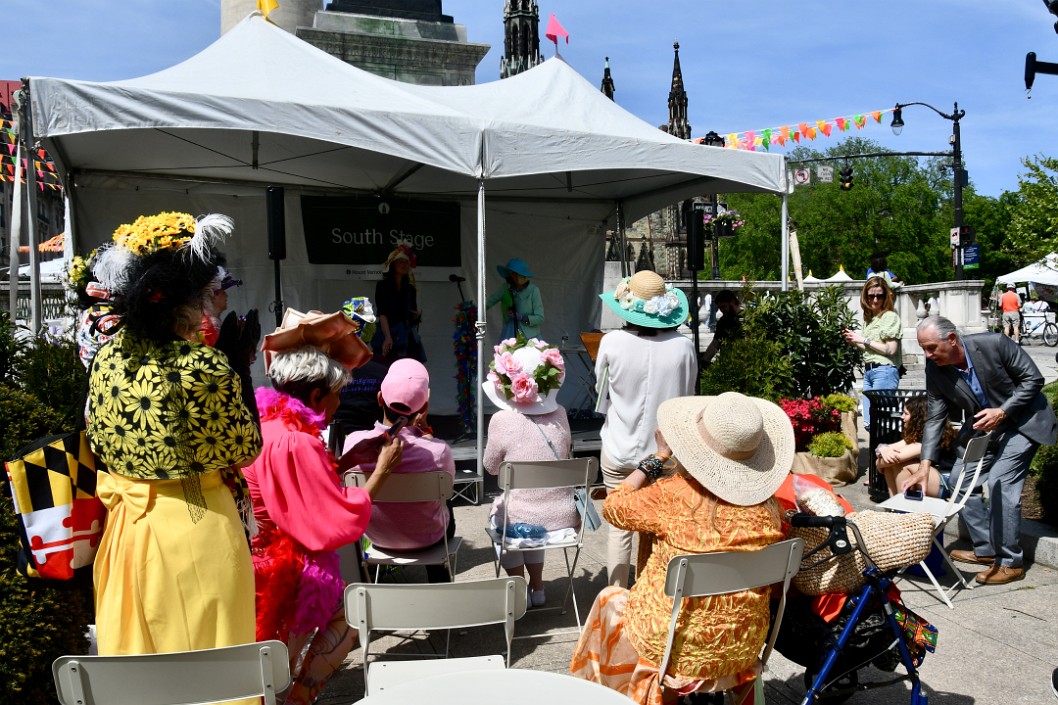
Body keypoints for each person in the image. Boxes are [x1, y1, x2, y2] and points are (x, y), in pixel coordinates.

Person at [86, 211, 262, 672]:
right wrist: (239, 368)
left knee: (144, 677)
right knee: (214, 679)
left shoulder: (105, 359)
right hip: (198, 532)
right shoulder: (205, 366)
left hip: (127, 533)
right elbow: (245, 448)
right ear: (189, 298)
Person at [570, 392, 792, 705]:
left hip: (672, 644)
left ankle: (607, 695)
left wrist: (658, 457)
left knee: (610, 599)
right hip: (742, 645)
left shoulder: (673, 496)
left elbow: (614, 507)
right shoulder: (770, 508)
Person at [246, 310, 394, 705]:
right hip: (282, 573)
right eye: (337, 394)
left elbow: (297, 487)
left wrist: (345, 462)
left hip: (254, 562)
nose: (338, 402)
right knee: (352, 617)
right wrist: (380, 471)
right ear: (315, 396)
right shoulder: (298, 441)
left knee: (265, 671)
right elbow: (333, 519)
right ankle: (299, 697)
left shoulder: (266, 424)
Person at [902, 315, 1058, 585]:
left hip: (1023, 422)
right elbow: (935, 418)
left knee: (1000, 481)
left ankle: (1010, 562)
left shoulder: (995, 343)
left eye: (930, 348)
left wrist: (1003, 411)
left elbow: (1033, 379)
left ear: (951, 340)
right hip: (984, 427)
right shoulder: (935, 370)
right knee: (960, 478)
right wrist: (925, 466)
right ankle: (986, 550)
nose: (926, 355)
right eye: (922, 348)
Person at [595, 271, 697, 587]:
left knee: (619, 528)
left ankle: (615, 595)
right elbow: (688, 399)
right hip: (665, 454)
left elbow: (601, 396)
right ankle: (650, 595)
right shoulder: (684, 346)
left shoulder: (611, 342)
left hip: (618, 447)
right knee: (659, 527)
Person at [482, 335, 576, 608]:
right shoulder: (560, 414)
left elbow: (491, 467)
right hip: (562, 518)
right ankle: (538, 588)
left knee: (504, 516)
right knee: (532, 513)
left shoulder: (501, 419)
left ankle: (521, 589)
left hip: (523, 518)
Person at [343, 357, 456, 582]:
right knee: (443, 501)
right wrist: (426, 433)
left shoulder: (353, 442)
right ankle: (440, 584)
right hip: (429, 540)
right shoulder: (438, 451)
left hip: (376, 537)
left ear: (379, 398)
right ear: (424, 407)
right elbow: (448, 490)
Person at [843, 276, 901, 431]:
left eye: (879, 296)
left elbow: (890, 349)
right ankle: (878, 455)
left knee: (882, 425)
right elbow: (872, 350)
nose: (875, 300)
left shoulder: (890, 317)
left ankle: (889, 454)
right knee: (870, 424)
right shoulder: (869, 320)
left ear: (885, 297)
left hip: (884, 372)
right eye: (871, 295)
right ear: (865, 297)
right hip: (869, 372)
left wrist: (863, 339)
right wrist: (855, 341)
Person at [875, 395, 958, 497]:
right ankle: (894, 506)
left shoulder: (928, 439)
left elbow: (896, 458)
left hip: (947, 483)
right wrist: (883, 449)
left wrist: (879, 463)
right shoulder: (919, 434)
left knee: (902, 465)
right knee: (891, 464)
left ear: (917, 417)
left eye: (906, 414)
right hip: (935, 478)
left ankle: (901, 508)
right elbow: (890, 449)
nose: (901, 417)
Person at [371, 244, 425, 363]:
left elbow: (412, 319)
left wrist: (416, 316)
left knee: (406, 371)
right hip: (387, 333)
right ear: (392, 265)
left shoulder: (410, 289)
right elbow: (382, 313)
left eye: (406, 262)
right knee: (384, 370)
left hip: (404, 337)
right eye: (401, 261)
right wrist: (388, 337)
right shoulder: (382, 286)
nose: (404, 265)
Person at [487, 257, 544, 340]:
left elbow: (540, 318)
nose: (511, 276)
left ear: (522, 276)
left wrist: (522, 317)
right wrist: (475, 312)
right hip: (510, 335)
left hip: (530, 337)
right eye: (510, 274)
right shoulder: (505, 289)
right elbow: (488, 302)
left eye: (514, 274)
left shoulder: (534, 290)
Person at [200, 265, 243, 346]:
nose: (226, 296)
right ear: (213, 296)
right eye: (223, 292)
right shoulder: (212, 324)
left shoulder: (209, 321)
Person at [700, 289, 741, 366]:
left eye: (724, 307)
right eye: (720, 308)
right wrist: (704, 361)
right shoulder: (723, 321)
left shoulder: (747, 319)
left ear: (732, 302)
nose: (722, 310)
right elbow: (715, 343)